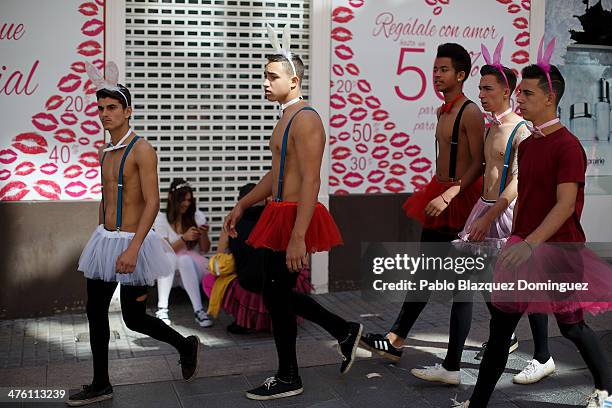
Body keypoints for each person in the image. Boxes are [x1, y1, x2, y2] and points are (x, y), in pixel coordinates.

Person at [452, 43, 612, 408]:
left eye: (526, 92)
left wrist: (530, 243)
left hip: (558, 250)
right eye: (519, 91)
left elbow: (565, 205)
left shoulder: (568, 146)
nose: (518, 98)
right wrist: (507, 230)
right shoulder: (529, 144)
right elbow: (524, 193)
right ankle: (477, 403)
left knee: (572, 327)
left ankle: (606, 391)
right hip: (523, 244)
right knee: (500, 328)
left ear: (549, 97)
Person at [223, 24, 362, 401]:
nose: (264, 83)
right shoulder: (286, 116)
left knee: (276, 293)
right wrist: (243, 203)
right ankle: (341, 333)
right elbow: (277, 174)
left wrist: (299, 235)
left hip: (293, 218)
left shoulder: (306, 119)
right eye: (264, 76)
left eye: (272, 77)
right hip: (277, 213)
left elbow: (312, 180)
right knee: (275, 293)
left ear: (294, 79)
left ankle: (291, 374)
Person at [411, 44, 553, 386]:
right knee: (465, 287)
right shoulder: (491, 128)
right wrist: (454, 194)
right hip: (483, 212)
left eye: (488, 89)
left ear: (508, 91)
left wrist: (489, 219)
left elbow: (517, 183)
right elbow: (481, 171)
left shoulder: (521, 130)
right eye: (480, 89)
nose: (482, 95)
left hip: (506, 219)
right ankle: (452, 366)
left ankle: (543, 357)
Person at [69, 63, 200, 406]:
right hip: (105, 240)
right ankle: (101, 383)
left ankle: (185, 345)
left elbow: (153, 202)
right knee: (94, 310)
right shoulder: (105, 152)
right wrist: (99, 235)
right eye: (100, 108)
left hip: (134, 245)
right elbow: (105, 198)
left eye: (112, 107)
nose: (104, 114)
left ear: (128, 111)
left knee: (135, 318)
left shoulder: (142, 149)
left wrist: (133, 249)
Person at [360, 43, 484, 372]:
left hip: (460, 201)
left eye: (444, 70)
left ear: (461, 74)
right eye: (435, 69)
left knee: (462, 288)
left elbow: (480, 163)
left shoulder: (469, 112)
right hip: (440, 193)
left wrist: (450, 195)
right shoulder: (442, 111)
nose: (436, 75)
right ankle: (396, 339)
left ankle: (453, 366)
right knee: (423, 274)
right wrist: (440, 193)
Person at [203, 183, 312, 334]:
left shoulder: (232, 224)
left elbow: (219, 258)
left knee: (210, 279)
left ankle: (243, 321)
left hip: (248, 283)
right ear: (265, 200)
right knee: (295, 271)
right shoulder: (275, 218)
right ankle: (283, 317)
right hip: (280, 281)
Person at [154, 179, 213, 328]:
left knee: (185, 259)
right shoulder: (161, 219)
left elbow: (205, 249)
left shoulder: (196, 216)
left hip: (192, 268)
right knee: (169, 257)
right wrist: (184, 238)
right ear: (171, 198)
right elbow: (166, 250)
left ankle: (199, 311)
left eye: (188, 200)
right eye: (182, 199)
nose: (186, 204)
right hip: (169, 273)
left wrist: (204, 234)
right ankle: (162, 309)